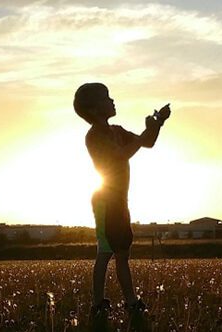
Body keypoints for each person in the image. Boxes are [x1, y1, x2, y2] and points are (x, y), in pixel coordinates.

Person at [73, 82, 171, 314]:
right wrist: (141, 136)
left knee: (122, 253)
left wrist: (158, 124)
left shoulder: (117, 131)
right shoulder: (95, 136)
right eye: (107, 98)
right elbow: (120, 155)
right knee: (106, 253)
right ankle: (102, 303)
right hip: (105, 201)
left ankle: (129, 302)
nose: (113, 100)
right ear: (96, 109)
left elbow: (147, 142)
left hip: (118, 201)